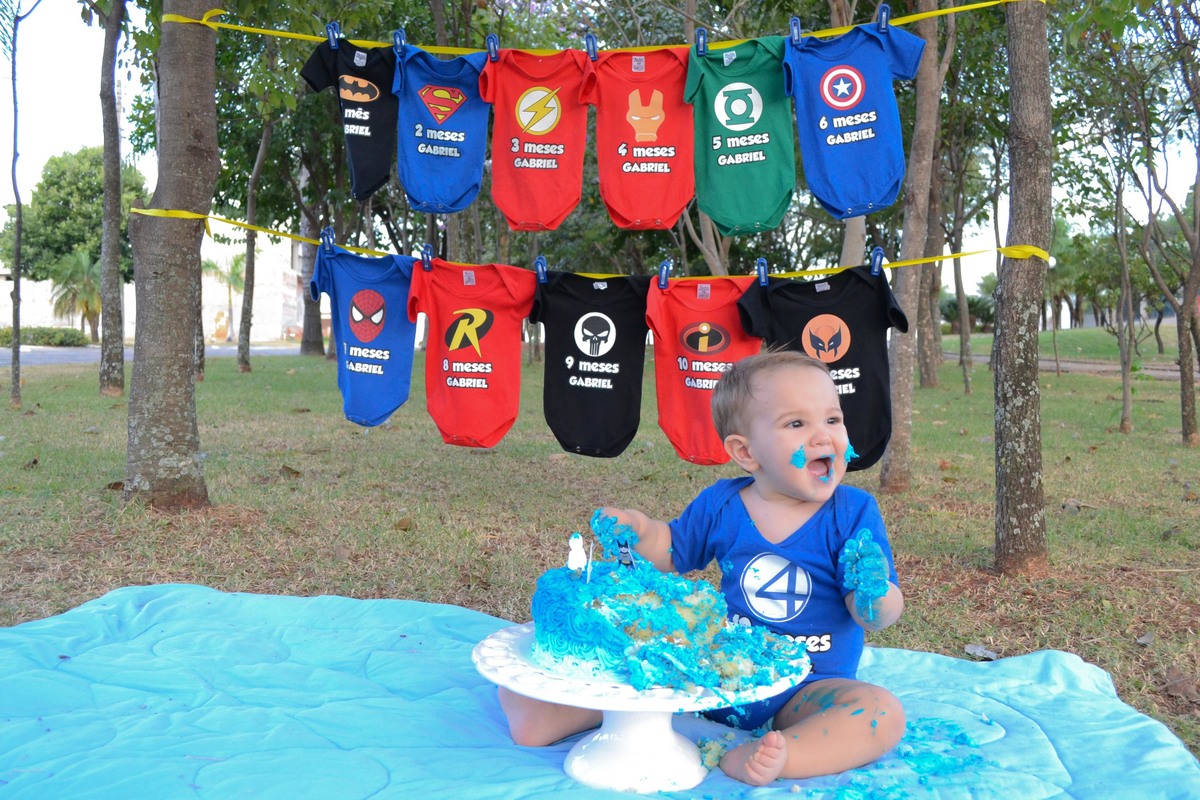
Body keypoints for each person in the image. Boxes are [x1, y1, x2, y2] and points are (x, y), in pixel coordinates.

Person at [498, 349, 905, 786]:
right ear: (745, 452)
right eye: (796, 424)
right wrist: (641, 530)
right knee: (629, 672)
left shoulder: (854, 512)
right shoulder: (722, 504)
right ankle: (547, 713)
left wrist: (874, 592)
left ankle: (785, 756)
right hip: (711, 674)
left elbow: (878, 617)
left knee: (880, 712)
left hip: (808, 687)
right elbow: (672, 552)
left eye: (832, 419)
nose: (824, 437)